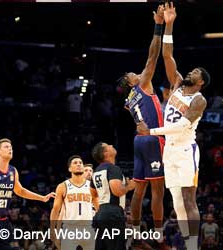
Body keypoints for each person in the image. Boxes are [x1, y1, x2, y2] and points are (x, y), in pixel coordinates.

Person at [137, 2, 211, 249]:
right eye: (192, 69)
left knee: (189, 197)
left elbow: (182, 126)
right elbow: (167, 55)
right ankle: (188, 244)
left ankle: (193, 245)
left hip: (185, 149)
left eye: (196, 72)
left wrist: (152, 131)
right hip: (169, 149)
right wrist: (169, 25)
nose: (192, 71)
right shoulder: (178, 84)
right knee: (176, 198)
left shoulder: (199, 99)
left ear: (201, 82)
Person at [117, 5, 167, 249]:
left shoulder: (128, 100)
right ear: (131, 81)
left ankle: (135, 230)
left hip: (137, 142)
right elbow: (153, 56)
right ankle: (158, 232)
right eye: (132, 74)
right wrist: (159, 26)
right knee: (158, 189)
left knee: (139, 189)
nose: (137, 73)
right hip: (152, 140)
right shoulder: (143, 85)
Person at [0, 138, 55, 250]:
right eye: (6, 147)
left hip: (3, 221)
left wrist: (42, 198)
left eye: (11, 147)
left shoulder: (13, 171)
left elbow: (20, 191)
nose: (10, 149)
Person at [90, 142, 136, 250]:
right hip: (113, 213)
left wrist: (100, 210)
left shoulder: (96, 171)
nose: (111, 145)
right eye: (108, 145)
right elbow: (117, 191)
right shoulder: (113, 168)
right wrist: (129, 186)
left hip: (101, 213)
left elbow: (93, 194)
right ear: (106, 153)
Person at [50, 155, 99, 250]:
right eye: (75, 163)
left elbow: (98, 208)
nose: (79, 164)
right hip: (69, 229)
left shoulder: (91, 186)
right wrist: (52, 229)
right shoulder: (63, 186)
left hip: (88, 227)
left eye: (80, 163)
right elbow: (56, 210)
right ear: (69, 169)